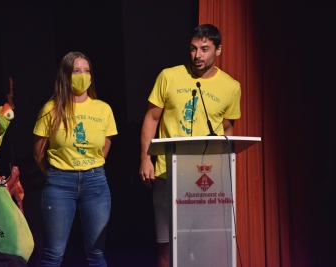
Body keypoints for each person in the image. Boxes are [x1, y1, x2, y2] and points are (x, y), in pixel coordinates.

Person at [139, 24, 241, 267]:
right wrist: (145, 158)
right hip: (168, 173)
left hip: (206, 178)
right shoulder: (169, 76)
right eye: (194, 49)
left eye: (205, 49)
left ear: (218, 50)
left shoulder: (231, 86)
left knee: (203, 244)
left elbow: (227, 128)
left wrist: (224, 164)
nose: (197, 56)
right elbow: (152, 118)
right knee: (166, 245)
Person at [33, 51, 118, 267]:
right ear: (65, 75)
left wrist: (89, 168)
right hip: (60, 184)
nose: (83, 75)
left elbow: (104, 148)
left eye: (87, 71)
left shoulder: (103, 109)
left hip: (96, 183)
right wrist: (57, 174)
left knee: (97, 254)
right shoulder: (50, 109)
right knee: (53, 255)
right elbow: (38, 153)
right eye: (77, 71)